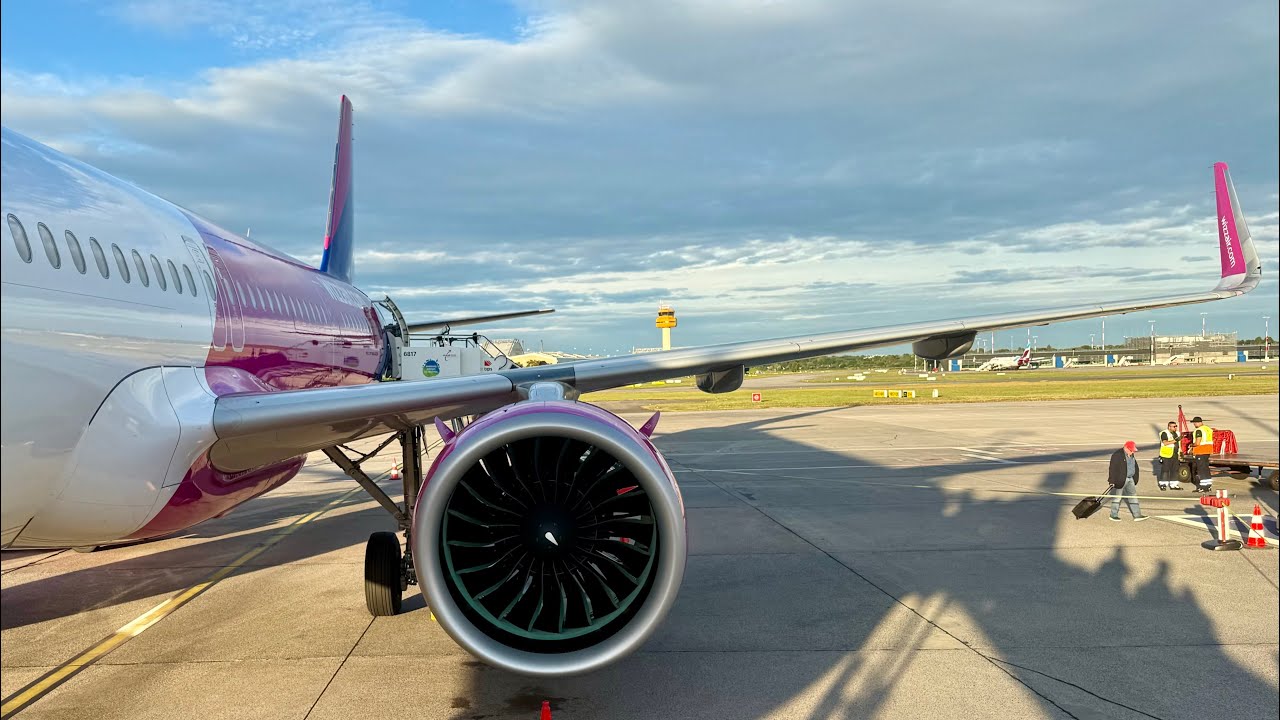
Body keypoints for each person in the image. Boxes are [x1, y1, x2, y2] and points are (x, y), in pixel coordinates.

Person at [1108, 440, 1148, 521]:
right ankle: (1113, 515)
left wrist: (1135, 477)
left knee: (1133, 496)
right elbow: (1112, 468)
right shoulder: (1117, 455)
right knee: (1117, 498)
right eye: (1131, 450)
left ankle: (1137, 515)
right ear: (1126, 448)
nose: (1132, 452)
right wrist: (1112, 481)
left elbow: (1134, 465)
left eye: (1133, 450)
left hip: (1130, 479)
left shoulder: (1131, 454)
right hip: (1120, 480)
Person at [1190, 416, 1213, 492]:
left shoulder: (1198, 430)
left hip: (1200, 451)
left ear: (1198, 422)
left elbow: (1197, 443)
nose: (1194, 424)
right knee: (1206, 468)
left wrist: (1191, 445)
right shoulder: (1208, 429)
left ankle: (1203, 487)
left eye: (1195, 423)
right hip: (1208, 451)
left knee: (1201, 469)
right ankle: (1208, 486)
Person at [1158, 421, 1183, 491]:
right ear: (1169, 427)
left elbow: (1179, 444)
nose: (1175, 428)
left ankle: (1174, 484)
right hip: (1166, 455)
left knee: (1175, 470)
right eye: (1174, 426)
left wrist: (1180, 452)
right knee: (1165, 470)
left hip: (1175, 455)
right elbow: (1165, 443)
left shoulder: (1177, 433)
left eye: (1176, 426)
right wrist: (1175, 440)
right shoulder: (1164, 433)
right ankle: (1163, 484)